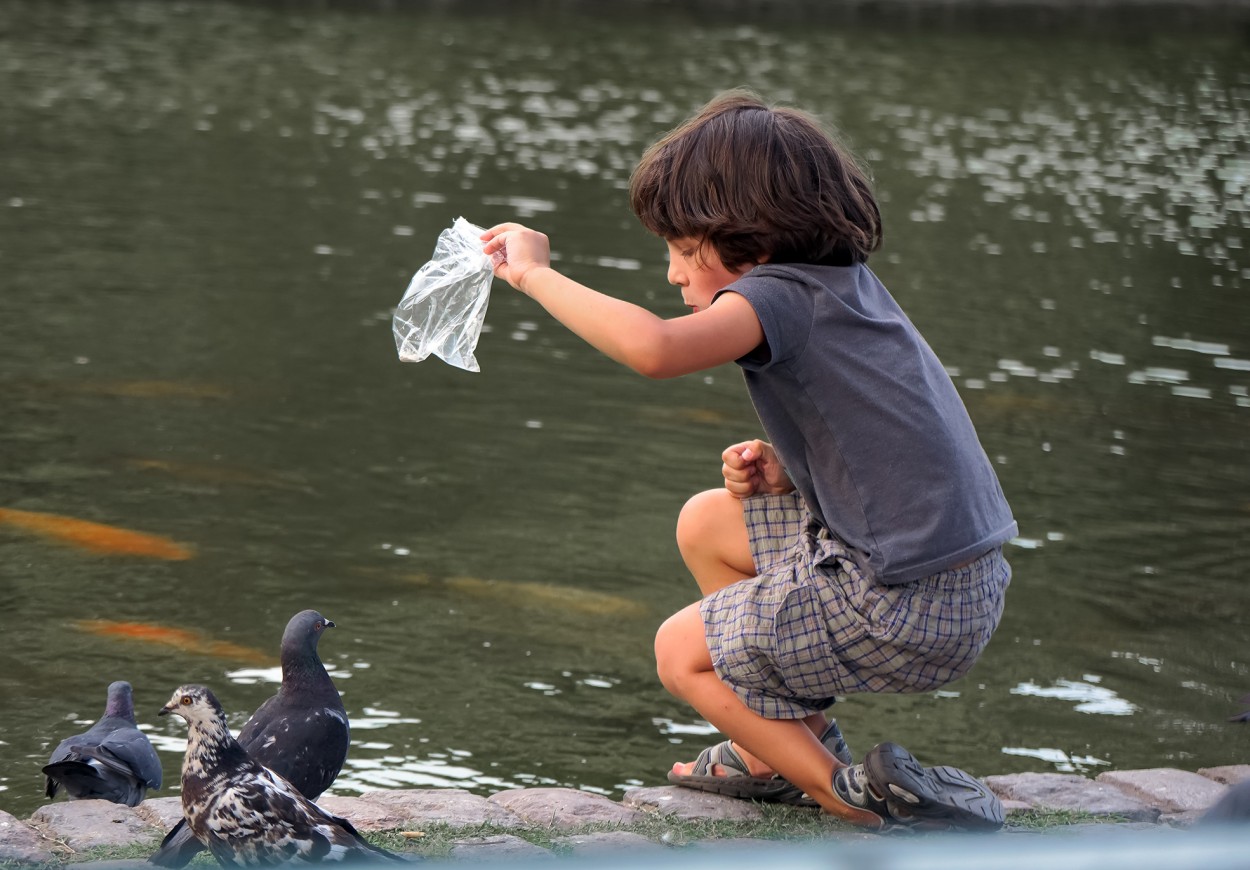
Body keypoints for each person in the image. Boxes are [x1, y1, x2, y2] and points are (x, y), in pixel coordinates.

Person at [481, 89, 1017, 832]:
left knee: (680, 653)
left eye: (681, 249)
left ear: (751, 241)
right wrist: (794, 473)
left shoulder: (776, 296)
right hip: (962, 586)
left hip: (904, 606)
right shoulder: (847, 286)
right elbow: (897, 446)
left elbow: (654, 349)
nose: (672, 274)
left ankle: (853, 799)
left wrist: (534, 274)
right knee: (709, 522)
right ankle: (772, 751)